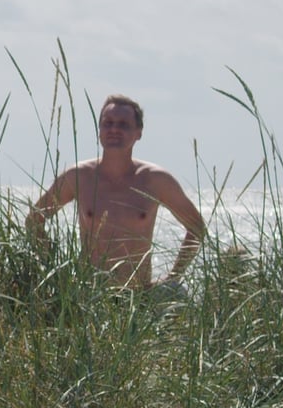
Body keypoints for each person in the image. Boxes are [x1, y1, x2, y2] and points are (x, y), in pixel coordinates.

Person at [27, 94, 206, 290]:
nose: (114, 129)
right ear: (99, 130)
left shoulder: (156, 180)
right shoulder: (78, 177)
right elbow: (34, 221)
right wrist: (57, 272)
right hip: (90, 294)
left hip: (138, 297)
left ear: (138, 132)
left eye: (123, 125)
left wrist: (173, 277)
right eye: (108, 123)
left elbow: (196, 228)